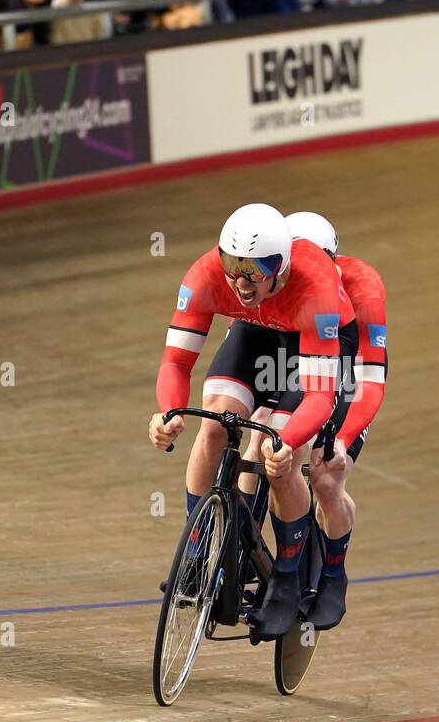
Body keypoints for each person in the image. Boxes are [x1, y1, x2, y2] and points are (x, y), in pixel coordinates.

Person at [148, 204, 357, 642]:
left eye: (254, 272)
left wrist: (289, 440)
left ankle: (285, 576)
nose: (240, 282)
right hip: (256, 334)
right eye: (232, 267)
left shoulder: (315, 287)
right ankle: (196, 552)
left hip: (306, 350)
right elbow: (176, 361)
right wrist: (168, 413)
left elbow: (319, 395)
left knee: (277, 454)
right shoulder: (206, 275)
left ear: (280, 268)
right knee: (213, 427)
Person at [238, 211, 387, 629]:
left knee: (325, 477)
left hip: (349, 372)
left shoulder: (361, 287)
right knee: (258, 440)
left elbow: (371, 382)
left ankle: (334, 575)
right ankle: (239, 549)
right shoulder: (276, 282)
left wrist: (343, 438)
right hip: (298, 361)